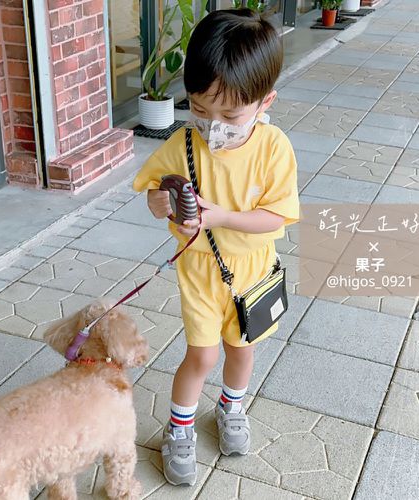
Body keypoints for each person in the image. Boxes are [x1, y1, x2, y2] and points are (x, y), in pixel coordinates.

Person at [133, 8, 299, 486]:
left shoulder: (273, 149)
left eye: (230, 116)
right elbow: (155, 194)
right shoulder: (184, 143)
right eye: (200, 110)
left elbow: (277, 216)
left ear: (265, 102)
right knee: (203, 355)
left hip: (253, 269)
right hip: (201, 270)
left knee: (242, 349)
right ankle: (179, 428)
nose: (213, 127)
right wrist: (160, 203)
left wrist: (221, 216)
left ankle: (231, 407)